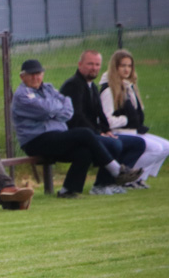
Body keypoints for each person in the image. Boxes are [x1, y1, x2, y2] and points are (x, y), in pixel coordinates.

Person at [11, 59, 142, 199]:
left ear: (43, 74)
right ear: (22, 76)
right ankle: (116, 171)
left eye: (38, 74)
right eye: (31, 74)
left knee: (84, 151)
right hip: (35, 140)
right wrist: (55, 108)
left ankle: (67, 190)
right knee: (84, 134)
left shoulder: (48, 88)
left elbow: (68, 108)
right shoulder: (22, 95)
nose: (35, 77)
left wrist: (54, 109)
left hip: (56, 136)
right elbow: (45, 109)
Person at [60, 50, 146, 195]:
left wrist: (106, 130)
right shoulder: (73, 85)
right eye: (90, 64)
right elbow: (77, 117)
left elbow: (99, 115)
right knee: (114, 144)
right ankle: (101, 184)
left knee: (137, 144)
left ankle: (114, 182)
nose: (94, 68)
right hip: (77, 134)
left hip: (93, 132)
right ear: (80, 64)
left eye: (97, 64)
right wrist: (99, 133)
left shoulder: (92, 87)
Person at [98, 49, 169, 188]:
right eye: (123, 66)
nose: (126, 69)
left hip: (133, 131)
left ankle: (138, 177)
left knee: (166, 146)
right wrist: (126, 120)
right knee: (155, 148)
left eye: (129, 66)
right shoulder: (109, 90)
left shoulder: (128, 86)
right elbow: (107, 120)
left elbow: (137, 112)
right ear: (115, 67)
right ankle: (129, 178)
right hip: (119, 132)